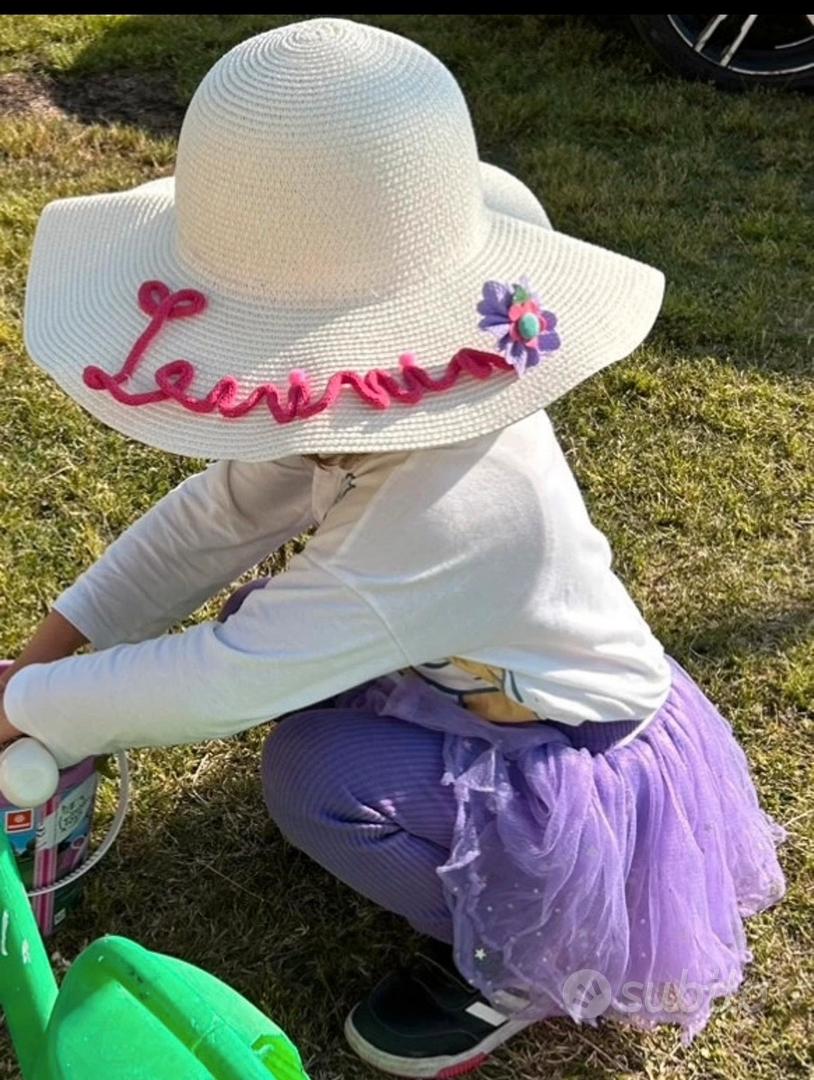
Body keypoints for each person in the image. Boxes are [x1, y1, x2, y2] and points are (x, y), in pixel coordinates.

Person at [0, 18, 785, 1078]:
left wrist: (29, 710)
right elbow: (213, 520)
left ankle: (528, 958)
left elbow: (225, 683)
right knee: (303, 676)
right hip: (494, 696)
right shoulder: (389, 407)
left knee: (311, 773)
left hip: (574, 772)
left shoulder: (447, 513)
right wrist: (45, 659)